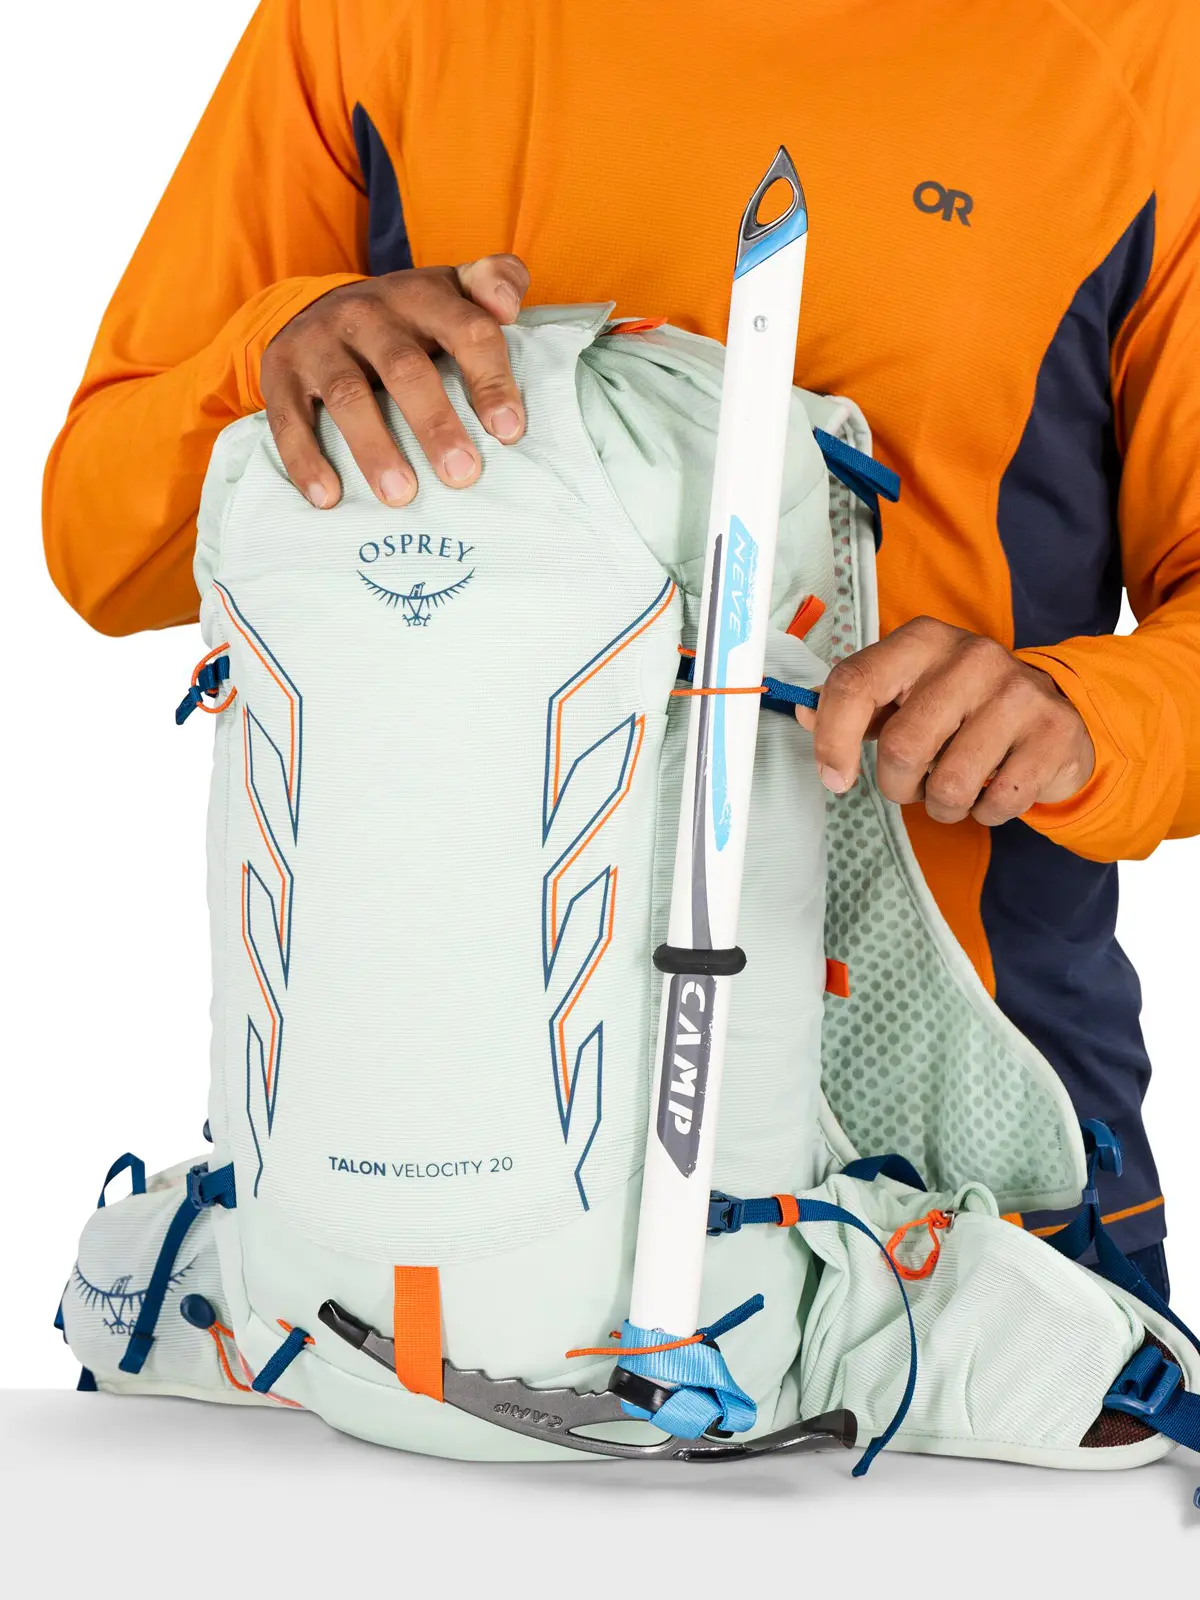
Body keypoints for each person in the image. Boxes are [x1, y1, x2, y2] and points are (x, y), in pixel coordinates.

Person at [43, 0, 1200, 1297]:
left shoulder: (1144, 48)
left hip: (956, 1198)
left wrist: (1080, 716)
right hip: (420, 1178)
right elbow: (106, 548)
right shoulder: (369, 24)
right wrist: (278, 355)